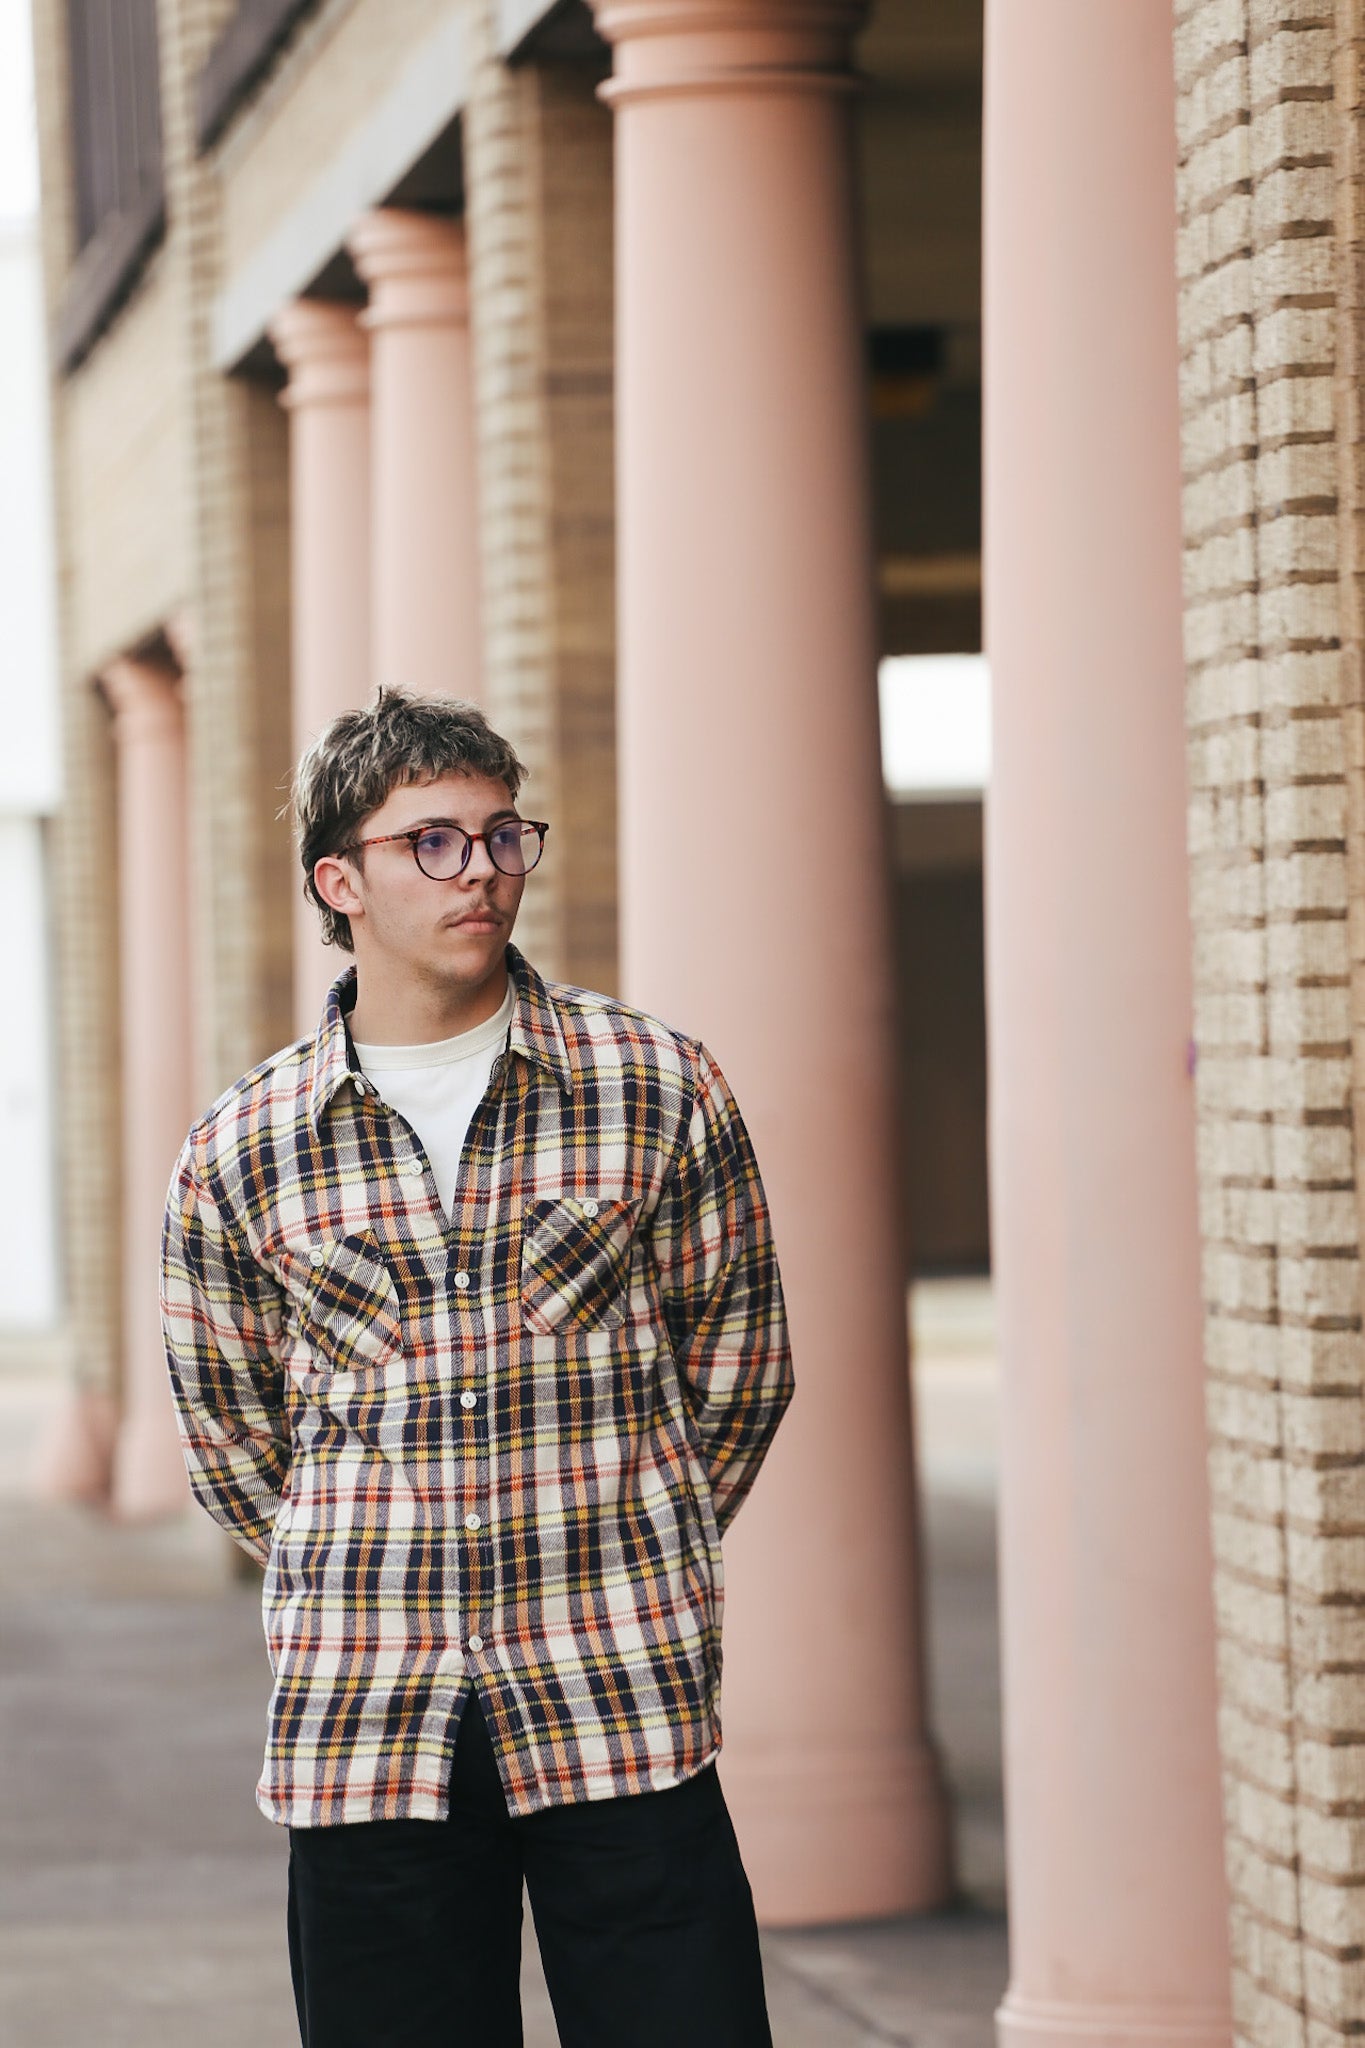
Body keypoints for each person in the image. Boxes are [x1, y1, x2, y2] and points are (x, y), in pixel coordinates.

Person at [158, 686, 794, 2048]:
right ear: (341, 880)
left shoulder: (655, 1086)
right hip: (369, 1723)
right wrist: (373, 1553)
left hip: (618, 1693)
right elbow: (230, 1440)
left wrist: (634, 1529)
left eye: (504, 836)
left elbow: (739, 1368)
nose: (483, 873)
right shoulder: (242, 1148)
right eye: (432, 842)